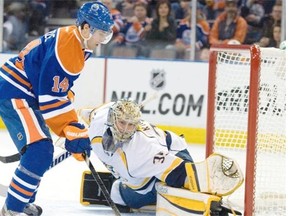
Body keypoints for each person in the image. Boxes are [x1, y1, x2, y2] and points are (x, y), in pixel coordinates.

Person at [0, 2, 114, 216]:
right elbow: (51, 99)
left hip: (26, 92)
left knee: (37, 151)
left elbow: (59, 90)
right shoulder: (68, 48)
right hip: (15, 92)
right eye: (101, 34)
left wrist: (72, 127)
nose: (102, 40)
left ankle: (21, 197)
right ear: (86, 28)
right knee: (39, 150)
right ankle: (12, 210)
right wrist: (70, 130)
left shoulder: (76, 41)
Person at [79, 98, 244, 213]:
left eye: (131, 125)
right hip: (157, 156)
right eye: (122, 123)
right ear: (111, 118)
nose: (125, 130)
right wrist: (73, 133)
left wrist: (204, 187)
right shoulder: (100, 118)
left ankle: (132, 189)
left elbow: (181, 174)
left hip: (171, 155)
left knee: (121, 195)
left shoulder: (140, 151)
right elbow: (86, 112)